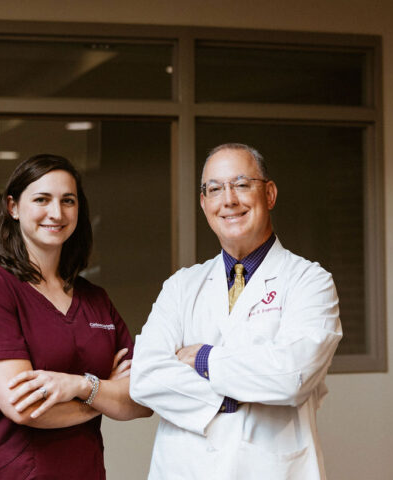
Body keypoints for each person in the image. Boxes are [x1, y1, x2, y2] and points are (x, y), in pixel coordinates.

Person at [130, 143, 343, 479]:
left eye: (242, 185)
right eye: (214, 189)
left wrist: (203, 359)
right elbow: (144, 375)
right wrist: (233, 398)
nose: (228, 200)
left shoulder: (309, 282)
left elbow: (291, 377)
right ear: (204, 203)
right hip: (184, 468)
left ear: (269, 194)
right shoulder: (181, 286)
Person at [0, 153, 151, 480]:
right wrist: (104, 393)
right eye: (42, 199)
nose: (56, 213)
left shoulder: (94, 299)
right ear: (13, 207)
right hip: (3, 472)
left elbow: (142, 399)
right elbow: (24, 407)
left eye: (67, 201)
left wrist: (81, 386)